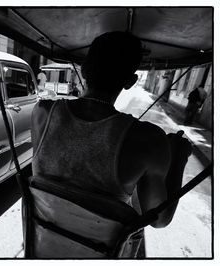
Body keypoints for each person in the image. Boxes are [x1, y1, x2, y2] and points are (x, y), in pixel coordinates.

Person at [31, 31, 192, 256]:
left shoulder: (42, 113)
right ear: (130, 82)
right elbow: (159, 220)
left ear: (85, 70)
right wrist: (179, 159)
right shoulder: (149, 139)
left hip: (43, 248)